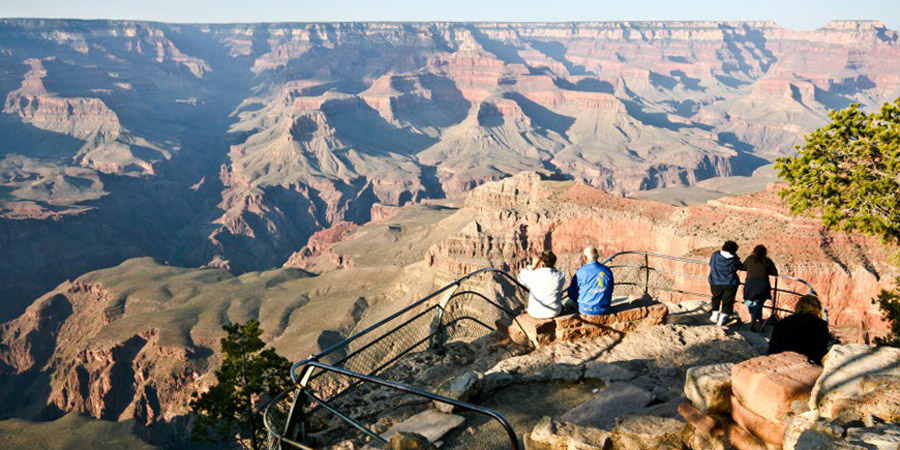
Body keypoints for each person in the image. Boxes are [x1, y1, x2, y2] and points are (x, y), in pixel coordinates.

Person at [767, 295, 830, 365]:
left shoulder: (784, 321)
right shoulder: (821, 325)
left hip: (780, 359)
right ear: (818, 308)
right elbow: (821, 349)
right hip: (807, 362)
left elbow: (773, 344)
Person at [517, 250, 567, 319]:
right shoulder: (560, 276)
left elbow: (520, 278)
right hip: (554, 312)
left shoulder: (534, 275)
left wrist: (533, 266)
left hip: (535, 312)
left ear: (541, 263)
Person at [567, 246, 615, 316]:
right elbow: (610, 289)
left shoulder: (580, 272)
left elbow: (571, 294)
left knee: (568, 303)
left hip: (586, 310)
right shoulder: (607, 270)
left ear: (585, 258)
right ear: (598, 256)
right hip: (605, 308)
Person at [743, 245, 778, 332]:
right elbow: (775, 272)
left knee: (750, 303)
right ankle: (759, 321)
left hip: (750, 284)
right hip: (763, 285)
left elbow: (743, 267)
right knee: (758, 304)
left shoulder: (750, 259)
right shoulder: (767, 260)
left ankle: (753, 323)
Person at [708, 240, 743, 325]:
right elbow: (738, 266)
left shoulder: (715, 254)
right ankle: (722, 318)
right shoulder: (734, 259)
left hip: (715, 281)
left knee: (716, 297)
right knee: (728, 300)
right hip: (730, 283)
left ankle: (714, 315)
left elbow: (710, 264)